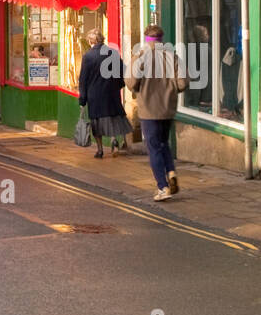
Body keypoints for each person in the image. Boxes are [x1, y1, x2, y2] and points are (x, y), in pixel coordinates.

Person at [128, 24, 188, 201]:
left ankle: (162, 187)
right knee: (164, 143)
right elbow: (183, 83)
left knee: (153, 148)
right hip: (168, 109)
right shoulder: (173, 57)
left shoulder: (140, 57)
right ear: (161, 39)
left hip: (149, 110)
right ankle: (171, 172)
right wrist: (171, 90)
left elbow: (131, 83)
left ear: (146, 40)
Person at [77, 28, 131, 158]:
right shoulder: (112, 52)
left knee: (96, 122)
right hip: (111, 92)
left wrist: (82, 99)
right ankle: (114, 140)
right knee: (112, 118)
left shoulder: (88, 56)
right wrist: (118, 85)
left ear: (91, 41)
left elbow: (83, 79)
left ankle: (100, 150)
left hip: (95, 95)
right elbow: (122, 72)